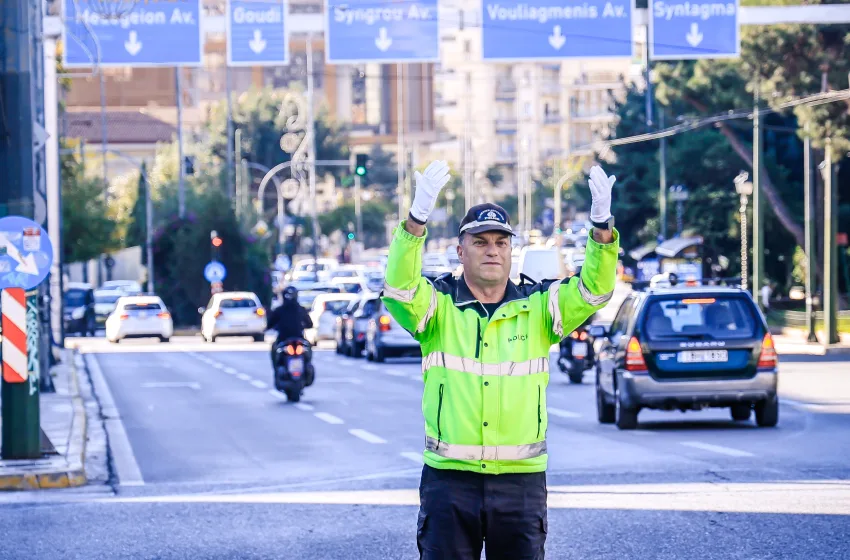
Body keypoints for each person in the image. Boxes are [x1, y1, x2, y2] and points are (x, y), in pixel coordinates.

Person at [382, 161, 620, 560]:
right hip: (449, 481)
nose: (492, 250)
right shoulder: (437, 307)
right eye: (480, 242)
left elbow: (595, 291)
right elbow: (399, 289)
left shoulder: (540, 308)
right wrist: (415, 222)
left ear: (512, 250)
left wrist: (601, 227)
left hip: (520, 485)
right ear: (460, 251)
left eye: (500, 242)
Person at [266, 286, 313, 364]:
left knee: (275, 349)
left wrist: (268, 327)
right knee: (308, 347)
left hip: (284, 338)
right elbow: (309, 324)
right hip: (297, 337)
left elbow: (270, 323)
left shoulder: (279, 310)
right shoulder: (301, 309)